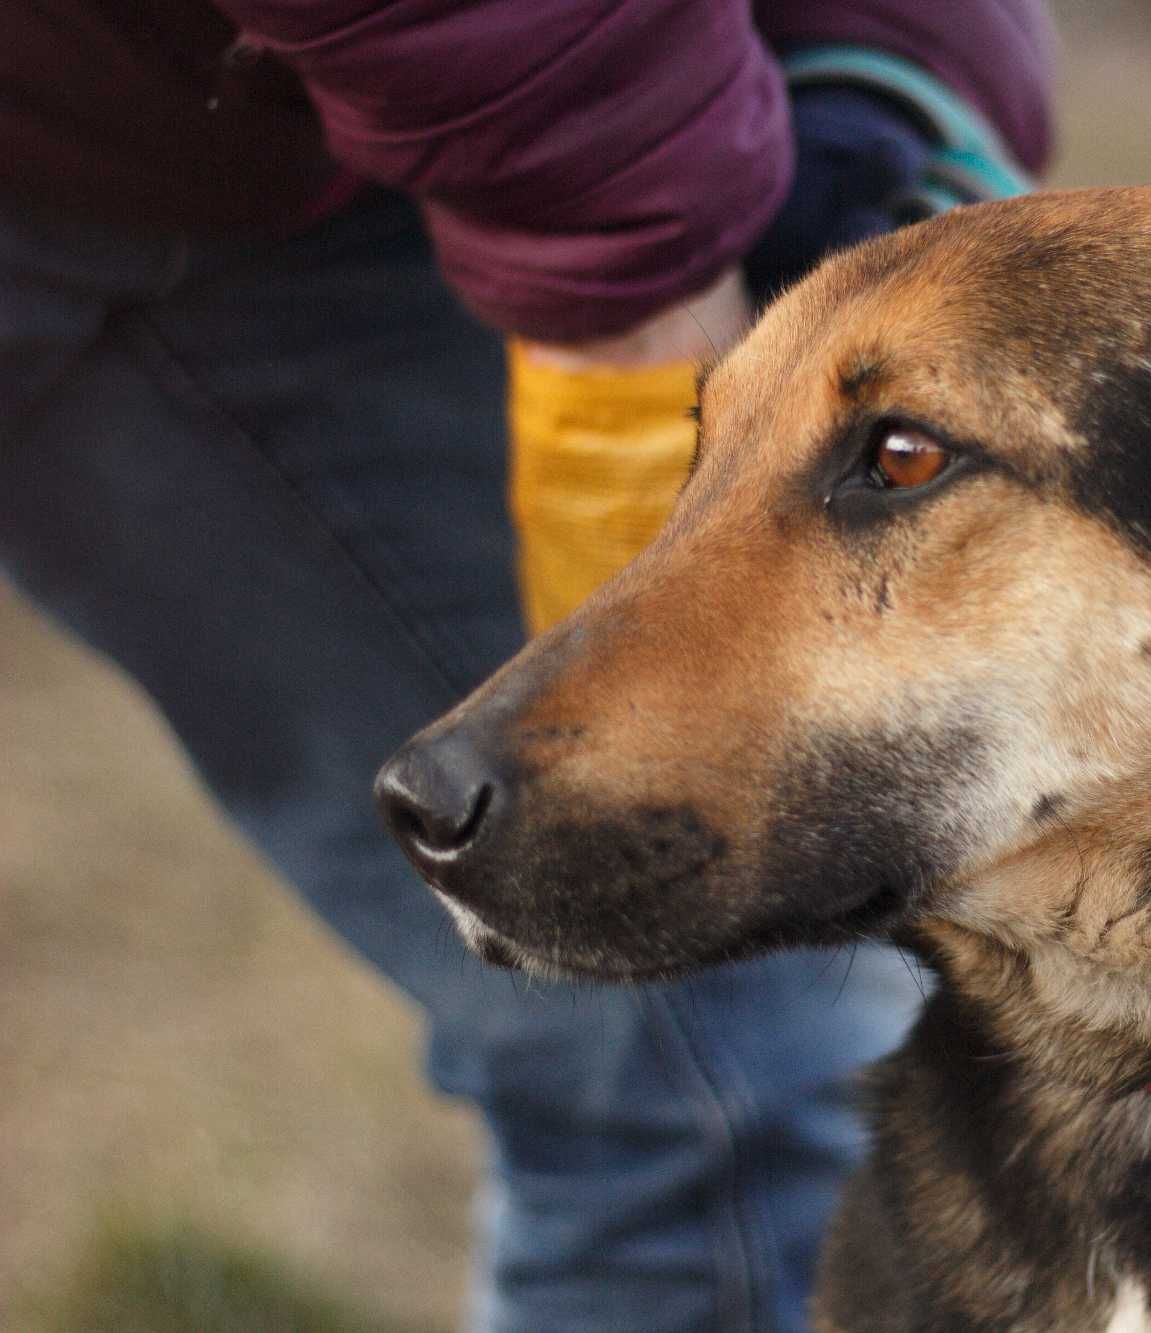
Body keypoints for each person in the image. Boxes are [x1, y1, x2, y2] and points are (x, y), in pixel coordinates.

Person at [0, 4, 1050, 1330]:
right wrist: (626, 226)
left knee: (726, 1056)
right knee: (716, 1028)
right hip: (459, 96)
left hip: (321, 132)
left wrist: (888, 89)